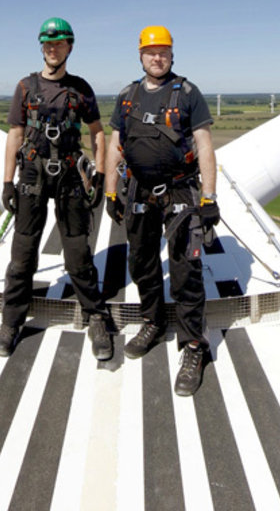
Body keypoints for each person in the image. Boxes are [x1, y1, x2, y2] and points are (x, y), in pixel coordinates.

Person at [104, 25, 219, 396]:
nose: (158, 57)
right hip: (138, 191)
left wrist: (210, 197)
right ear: (140, 55)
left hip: (180, 190)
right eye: (151, 52)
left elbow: (204, 144)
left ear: (171, 55)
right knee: (141, 262)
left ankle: (193, 348)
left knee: (186, 269)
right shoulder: (127, 96)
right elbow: (115, 145)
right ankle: (152, 321)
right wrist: (110, 191)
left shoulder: (187, 93)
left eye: (164, 52)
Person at [0, 17, 112, 360]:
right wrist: (6, 181)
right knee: (23, 254)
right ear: (42, 48)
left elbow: (97, 131)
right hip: (31, 175)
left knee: (78, 254)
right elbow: (15, 135)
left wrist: (100, 174)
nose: (52, 48)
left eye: (58, 43)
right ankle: (12, 321)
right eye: (47, 44)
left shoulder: (80, 88)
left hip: (70, 178)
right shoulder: (25, 87)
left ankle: (95, 318)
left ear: (69, 47)